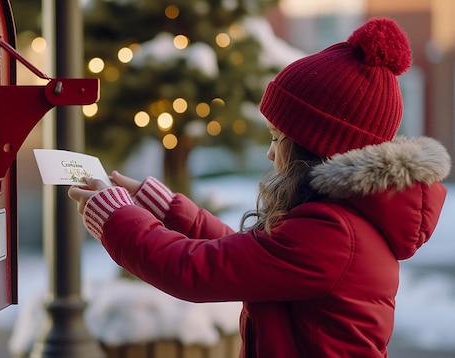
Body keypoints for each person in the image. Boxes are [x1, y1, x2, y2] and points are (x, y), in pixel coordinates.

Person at [68, 17, 451, 357]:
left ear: (312, 145)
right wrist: (167, 210)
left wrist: (117, 216)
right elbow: (248, 257)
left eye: (277, 137)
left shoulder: (332, 235)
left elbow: (194, 270)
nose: (271, 153)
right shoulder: (340, 225)